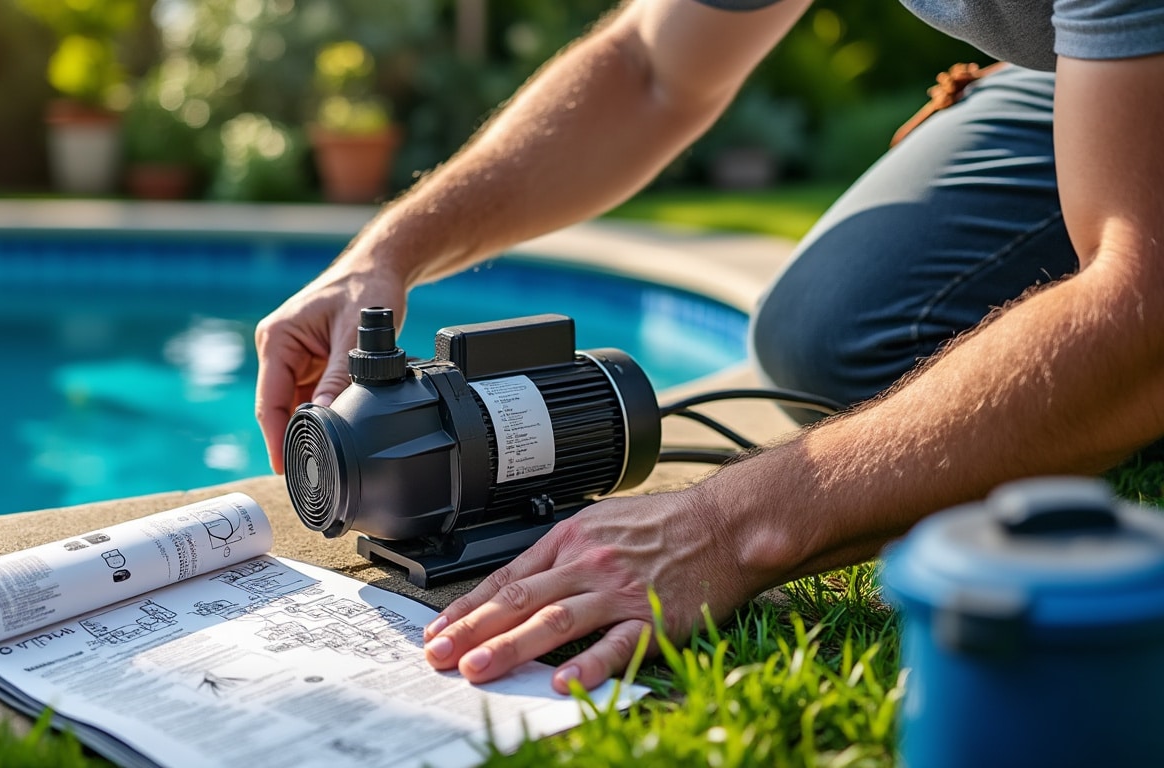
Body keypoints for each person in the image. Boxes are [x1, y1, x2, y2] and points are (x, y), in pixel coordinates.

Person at [255, 0, 1164, 694]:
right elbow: (653, 68)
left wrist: (730, 525)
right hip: (1081, 68)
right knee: (831, 337)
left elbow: (1142, 304)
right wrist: (384, 254)